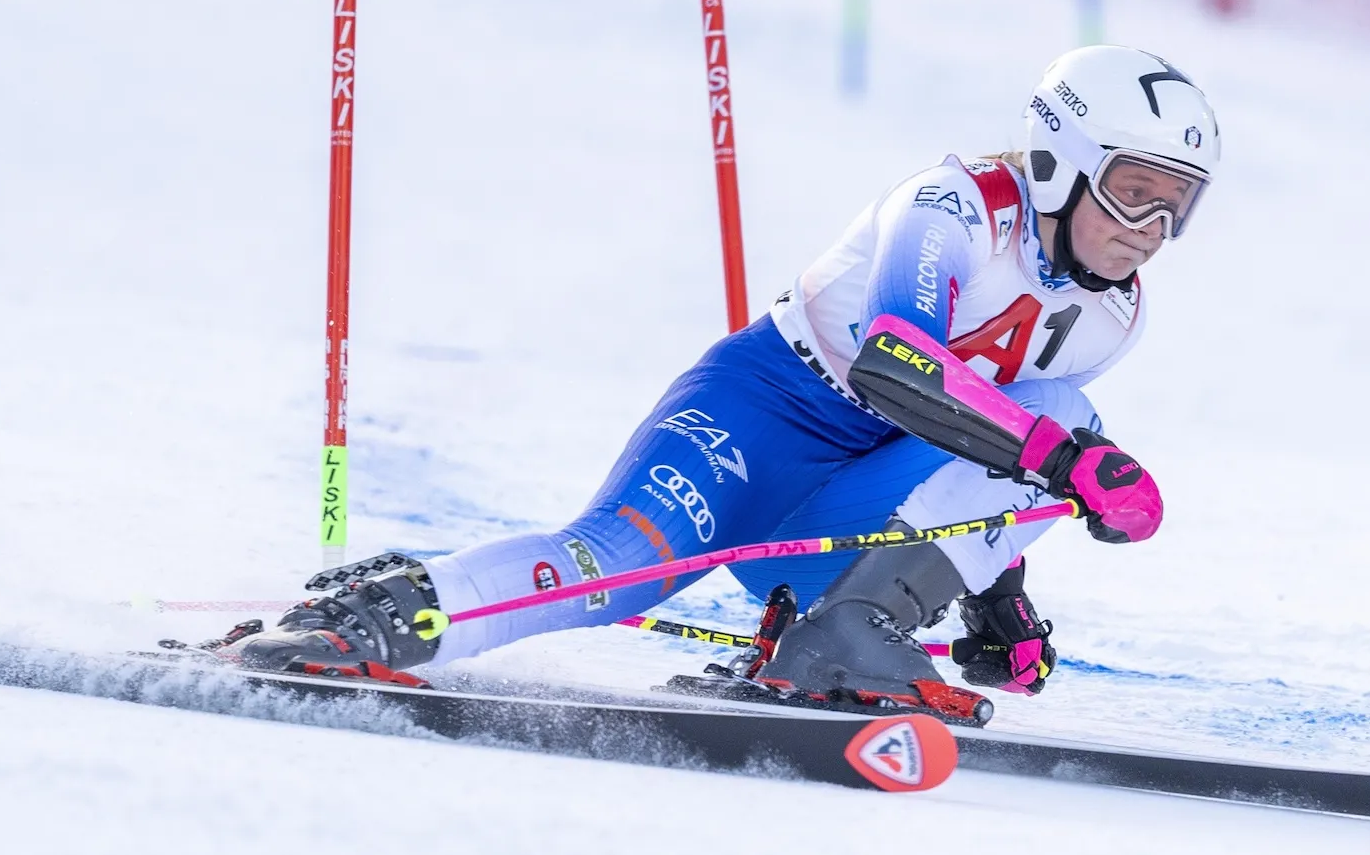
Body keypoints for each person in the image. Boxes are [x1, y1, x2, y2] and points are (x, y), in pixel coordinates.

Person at [229, 45, 1221, 717]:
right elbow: (892, 359)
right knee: (610, 569)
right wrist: (1064, 459)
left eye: (1173, 208)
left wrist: (996, 605)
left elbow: (991, 460)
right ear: (1061, 158)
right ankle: (375, 617)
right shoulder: (950, 205)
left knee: (1063, 412)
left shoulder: (1111, 314)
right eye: (1132, 192)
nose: (1148, 231)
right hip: (762, 411)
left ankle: (840, 633)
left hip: (850, 504)